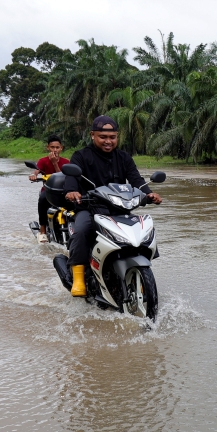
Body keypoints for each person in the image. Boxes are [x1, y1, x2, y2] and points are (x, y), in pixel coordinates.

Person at [63, 115, 162, 297]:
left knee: (142, 230)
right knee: (82, 230)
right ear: (93, 135)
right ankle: (78, 278)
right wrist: (72, 191)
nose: (108, 141)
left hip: (119, 208)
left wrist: (149, 193)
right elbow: (72, 176)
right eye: (103, 137)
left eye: (112, 137)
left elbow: (136, 179)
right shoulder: (81, 156)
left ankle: (140, 271)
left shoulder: (124, 157)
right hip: (89, 208)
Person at [29, 136, 70, 243]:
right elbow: (36, 170)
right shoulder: (43, 161)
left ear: (61, 148)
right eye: (52, 147)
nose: (55, 150)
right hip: (48, 191)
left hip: (63, 191)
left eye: (57, 147)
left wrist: (55, 163)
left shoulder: (66, 162)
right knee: (42, 199)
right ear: (48, 148)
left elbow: (63, 176)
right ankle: (42, 230)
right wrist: (33, 175)